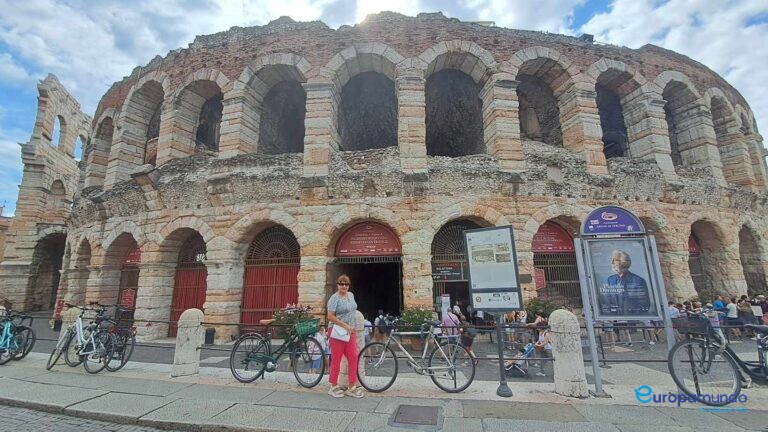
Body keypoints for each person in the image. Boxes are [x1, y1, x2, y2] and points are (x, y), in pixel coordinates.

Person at [326, 274, 364, 398]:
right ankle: (333, 385)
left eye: (346, 284)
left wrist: (350, 327)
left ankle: (351, 386)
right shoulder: (334, 298)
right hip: (337, 331)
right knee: (336, 359)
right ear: (337, 285)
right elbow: (330, 316)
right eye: (341, 283)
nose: (344, 286)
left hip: (350, 331)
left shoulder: (351, 295)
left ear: (349, 285)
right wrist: (345, 325)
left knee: (354, 357)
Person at [602, 250, 650, 315]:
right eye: (612, 260)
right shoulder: (611, 279)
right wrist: (614, 317)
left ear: (623, 262)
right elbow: (607, 301)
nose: (612, 263)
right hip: (615, 321)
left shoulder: (638, 281)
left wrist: (630, 319)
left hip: (633, 322)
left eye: (614, 260)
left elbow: (644, 304)